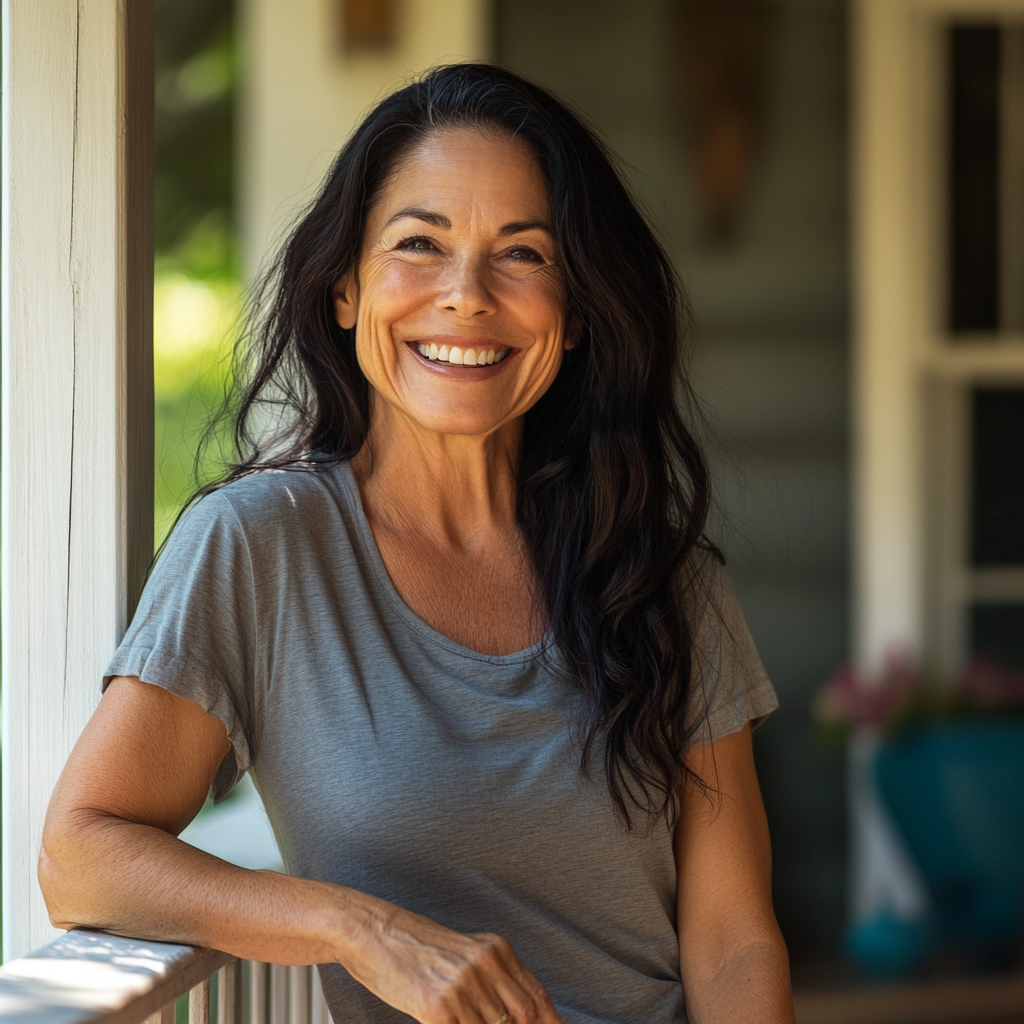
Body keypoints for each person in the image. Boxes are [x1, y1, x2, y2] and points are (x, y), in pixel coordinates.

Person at [40, 64, 795, 1024]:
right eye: (419, 244)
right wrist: (360, 929)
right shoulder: (260, 549)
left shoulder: (657, 572)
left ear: (574, 319)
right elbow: (81, 854)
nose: (467, 296)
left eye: (523, 254)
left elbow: (734, 940)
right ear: (347, 289)